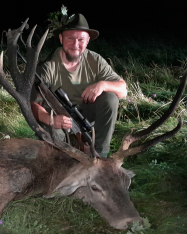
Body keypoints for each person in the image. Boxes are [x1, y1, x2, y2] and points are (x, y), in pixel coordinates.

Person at [29, 13, 127, 157]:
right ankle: (61, 160)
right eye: (70, 38)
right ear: (61, 38)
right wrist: (50, 120)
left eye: (81, 39)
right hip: (58, 118)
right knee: (52, 135)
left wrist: (102, 85)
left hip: (84, 118)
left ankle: (100, 155)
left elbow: (123, 90)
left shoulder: (95, 60)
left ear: (87, 41)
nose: (76, 45)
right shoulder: (47, 67)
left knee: (110, 98)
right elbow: (31, 103)